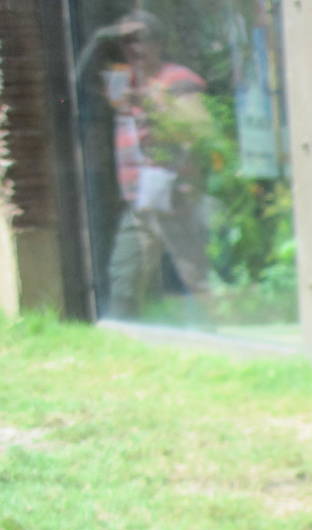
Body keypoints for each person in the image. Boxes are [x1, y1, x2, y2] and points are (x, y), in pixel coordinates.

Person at [77, 12, 214, 320]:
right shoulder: (122, 79)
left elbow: (199, 125)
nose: (133, 47)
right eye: (126, 41)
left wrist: (148, 102)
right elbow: (77, 79)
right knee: (123, 278)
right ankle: (123, 339)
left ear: (159, 43)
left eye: (141, 39)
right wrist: (98, 39)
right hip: (139, 200)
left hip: (174, 196)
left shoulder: (175, 78)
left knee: (194, 277)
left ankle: (214, 335)